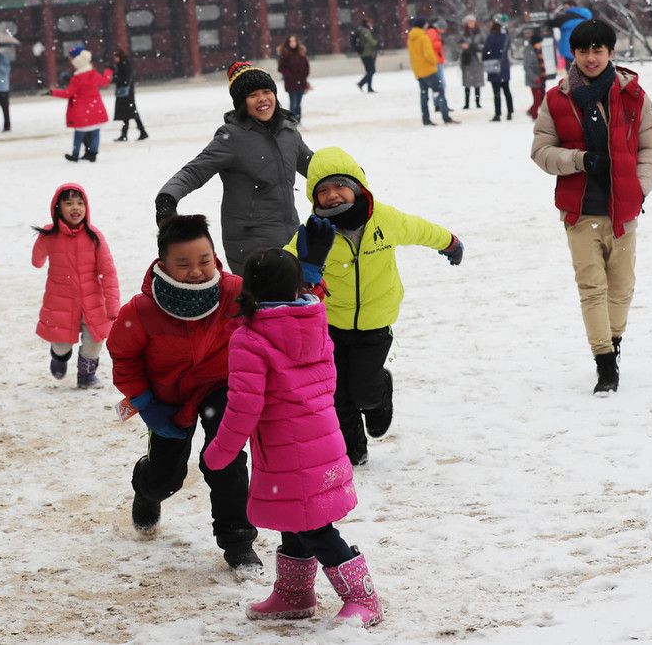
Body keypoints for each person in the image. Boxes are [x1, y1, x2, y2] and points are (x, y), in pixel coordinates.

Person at [203, 243, 383, 627]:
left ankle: (363, 598)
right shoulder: (314, 321)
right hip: (318, 439)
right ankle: (294, 595)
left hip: (290, 450)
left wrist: (220, 452)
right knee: (294, 519)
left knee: (315, 528)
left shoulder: (249, 339)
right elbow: (328, 381)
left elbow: (243, 409)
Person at [283, 146, 464, 465]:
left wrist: (449, 242)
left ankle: (380, 394)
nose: (333, 196)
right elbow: (284, 261)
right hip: (331, 325)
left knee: (364, 389)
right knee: (337, 393)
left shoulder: (384, 219)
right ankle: (354, 448)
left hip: (376, 323)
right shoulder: (315, 233)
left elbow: (419, 228)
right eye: (323, 191)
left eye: (340, 186)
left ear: (357, 187)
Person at [106, 214, 262, 575]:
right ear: (163, 264)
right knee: (166, 478)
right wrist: (145, 404)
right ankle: (147, 490)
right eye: (184, 264)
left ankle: (238, 541)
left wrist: (309, 281)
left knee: (224, 457)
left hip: (218, 389)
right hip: (166, 401)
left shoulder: (234, 291)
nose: (197, 271)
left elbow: (275, 314)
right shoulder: (141, 310)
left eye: (204, 261)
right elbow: (123, 358)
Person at [530, 20, 652, 395]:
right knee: (592, 287)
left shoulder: (632, 94)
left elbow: (651, 146)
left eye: (597, 50)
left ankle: (614, 342)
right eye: (583, 50)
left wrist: (640, 187)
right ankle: (604, 362)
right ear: (573, 53)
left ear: (610, 52)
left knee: (622, 288)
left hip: (623, 209)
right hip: (581, 211)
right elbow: (540, 151)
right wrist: (579, 160)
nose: (590, 57)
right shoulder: (557, 98)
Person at [155, 61, 313, 274]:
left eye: (267, 91)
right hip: (250, 242)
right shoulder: (232, 138)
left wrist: (347, 176)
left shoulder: (289, 133)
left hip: (290, 235)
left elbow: (315, 167)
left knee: (292, 302)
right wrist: (167, 197)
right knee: (266, 302)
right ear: (241, 103)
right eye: (253, 95)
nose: (263, 99)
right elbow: (194, 171)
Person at [31, 183, 120, 388]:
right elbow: (37, 262)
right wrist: (43, 239)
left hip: (92, 302)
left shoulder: (94, 235)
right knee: (61, 345)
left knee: (94, 341)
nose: (75, 208)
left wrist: (113, 306)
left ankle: (87, 376)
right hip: (61, 302)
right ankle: (59, 357)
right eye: (69, 203)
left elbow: (108, 272)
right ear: (58, 208)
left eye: (80, 203)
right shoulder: (51, 236)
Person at [50, 46, 112, 162]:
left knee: (79, 135)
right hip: (95, 108)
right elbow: (105, 82)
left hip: (82, 111)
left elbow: (67, 93)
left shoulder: (77, 78)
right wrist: (108, 71)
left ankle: (75, 154)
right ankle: (93, 153)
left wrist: (53, 92)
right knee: (95, 133)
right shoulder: (94, 74)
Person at [407, 17, 458, 126]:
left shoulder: (411, 38)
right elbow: (429, 54)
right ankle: (446, 118)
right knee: (440, 92)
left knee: (424, 96)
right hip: (428, 69)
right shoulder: (423, 38)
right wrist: (434, 61)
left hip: (419, 71)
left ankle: (426, 119)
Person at [111, 48, 148, 141]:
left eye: (116, 57)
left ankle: (130, 133)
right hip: (127, 93)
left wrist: (115, 77)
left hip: (126, 94)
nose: (115, 59)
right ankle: (135, 132)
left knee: (129, 114)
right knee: (129, 114)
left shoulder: (124, 65)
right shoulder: (124, 64)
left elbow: (124, 79)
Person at [483, 20, 513, 121]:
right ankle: (509, 113)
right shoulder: (506, 37)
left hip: (494, 66)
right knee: (507, 90)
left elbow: (485, 51)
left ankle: (498, 114)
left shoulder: (491, 37)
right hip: (504, 65)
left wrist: (486, 58)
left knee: (496, 92)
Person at [276, 34, 310, 124]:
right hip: (291, 82)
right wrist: (290, 75)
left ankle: (299, 122)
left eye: (294, 41)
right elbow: (281, 68)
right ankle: (293, 122)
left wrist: (304, 76)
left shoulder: (301, 53)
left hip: (301, 82)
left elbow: (306, 66)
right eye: (290, 41)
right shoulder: (285, 54)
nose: (292, 43)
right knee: (293, 103)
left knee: (299, 104)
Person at [549, 0, 592, 68]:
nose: (564, 9)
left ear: (572, 6)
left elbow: (552, 23)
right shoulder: (585, 16)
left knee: (571, 74)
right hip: (582, 49)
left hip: (569, 50)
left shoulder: (566, 18)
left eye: (566, 7)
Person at [459, 15, 485, 109]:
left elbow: (485, 45)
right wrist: (463, 47)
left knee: (477, 82)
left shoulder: (480, 33)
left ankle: (478, 102)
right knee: (467, 82)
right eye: (469, 22)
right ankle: (467, 103)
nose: (471, 24)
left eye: (472, 22)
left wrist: (477, 47)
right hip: (467, 60)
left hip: (477, 59)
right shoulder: (463, 34)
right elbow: (458, 45)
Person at [524, 32, 549, 121]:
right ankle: (534, 116)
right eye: (539, 43)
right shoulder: (530, 52)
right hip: (534, 81)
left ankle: (531, 111)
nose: (540, 45)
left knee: (542, 99)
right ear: (534, 43)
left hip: (540, 79)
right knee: (537, 99)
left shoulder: (537, 51)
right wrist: (535, 78)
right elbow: (527, 67)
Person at [426, 20, 448, 113]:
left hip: (437, 60)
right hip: (436, 61)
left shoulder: (434, 32)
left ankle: (440, 104)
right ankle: (439, 104)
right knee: (440, 83)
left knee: (440, 83)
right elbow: (429, 44)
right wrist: (440, 43)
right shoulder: (432, 32)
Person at [355, 16, 378, 92]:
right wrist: (376, 43)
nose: (371, 25)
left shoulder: (361, 29)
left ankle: (369, 87)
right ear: (367, 23)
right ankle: (361, 83)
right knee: (372, 71)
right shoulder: (365, 31)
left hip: (363, 53)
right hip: (367, 53)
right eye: (370, 23)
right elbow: (370, 41)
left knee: (369, 71)